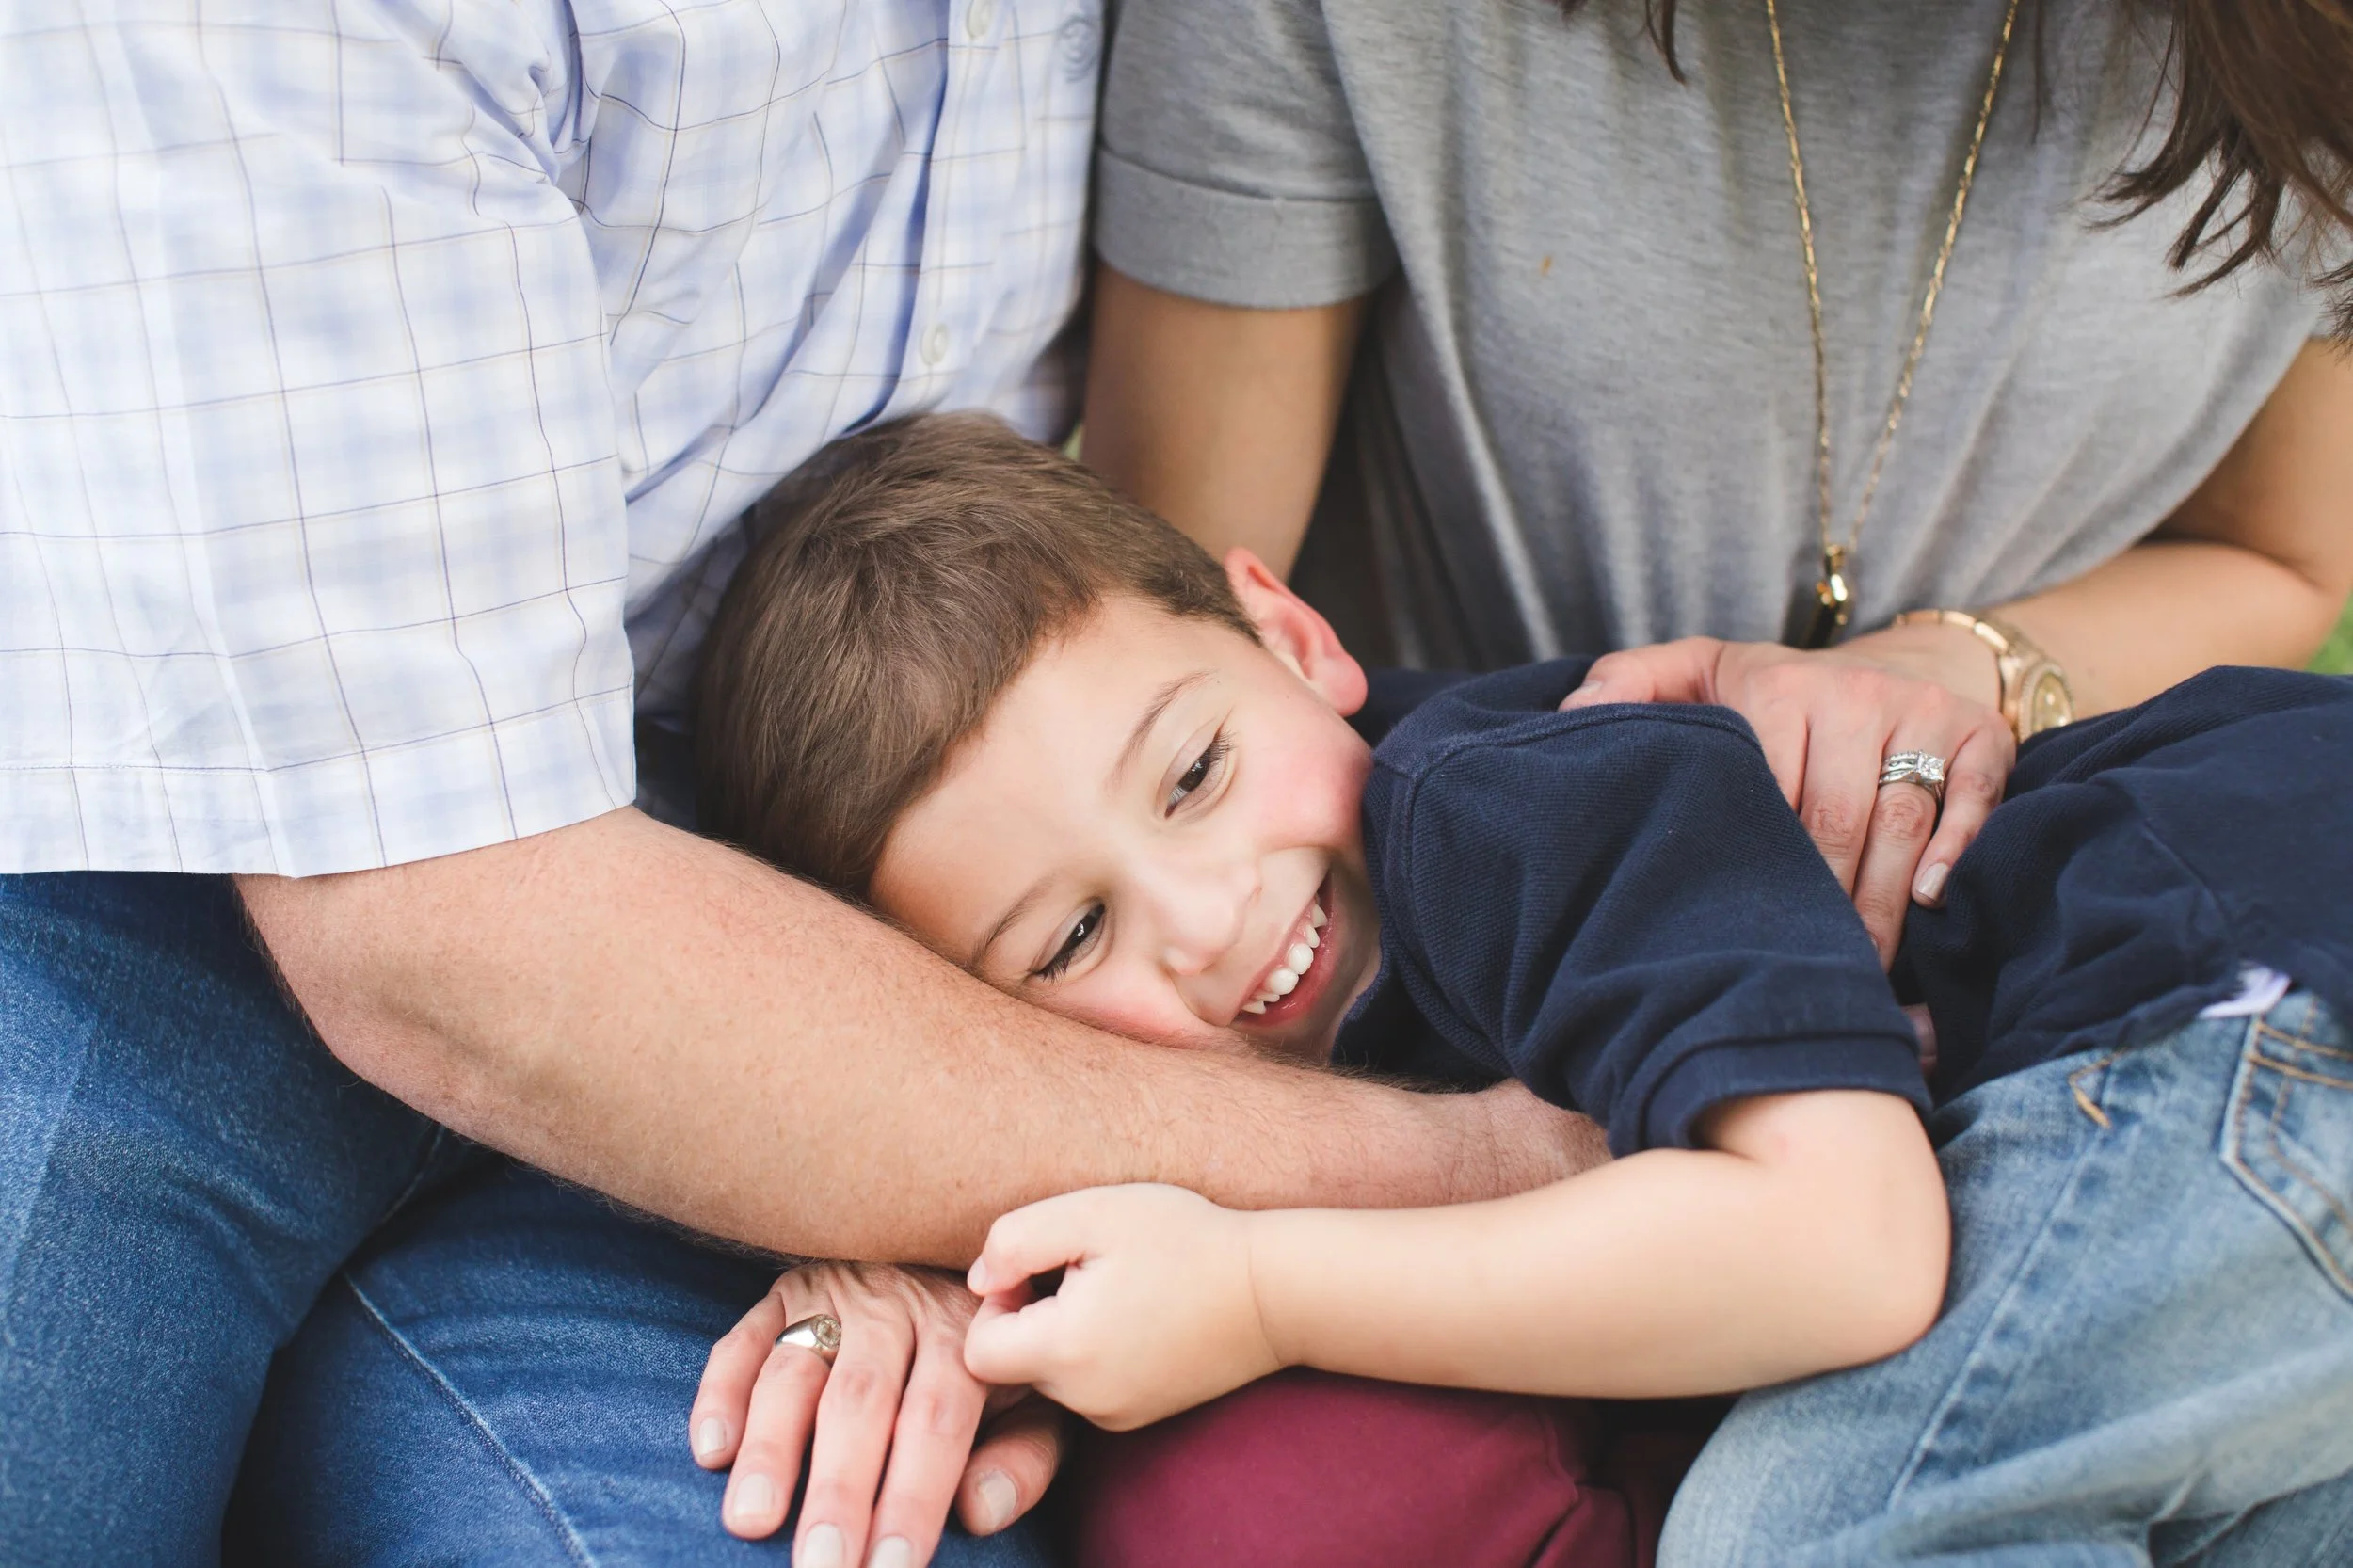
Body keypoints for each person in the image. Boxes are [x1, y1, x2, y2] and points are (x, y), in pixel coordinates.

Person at [0, 7, 1605, 1564]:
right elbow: (445, 930)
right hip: (181, 863)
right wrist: (1461, 1169)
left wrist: (921, 1158)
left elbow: (1135, 635)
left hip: (872, 906)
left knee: (789, 1518)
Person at [687, 413, 2353, 1565]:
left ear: (1290, 638)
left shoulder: (1497, 803)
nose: (1204, 919)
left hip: (2242, 1000)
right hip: (2242, 1140)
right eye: (1065, 941)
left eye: (1194, 772)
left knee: (1804, 1535)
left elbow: (1848, 1247)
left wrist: (1261, 1289)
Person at [1080, 0, 2353, 968]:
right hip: (1413, 959)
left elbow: (2283, 557)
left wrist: (1965, 668)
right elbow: (1167, 643)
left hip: (2010, 955)